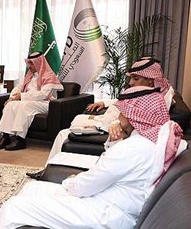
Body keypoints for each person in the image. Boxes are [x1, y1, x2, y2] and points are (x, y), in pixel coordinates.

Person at [0, 85, 186, 229]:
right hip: (108, 203)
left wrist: (71, 182)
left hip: (106, 216)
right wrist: (114, 141)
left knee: (13, 207)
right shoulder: (149, 140)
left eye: (123, 113)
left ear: (135, 116)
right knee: (31, 189)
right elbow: (108, 170)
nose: (119, 117)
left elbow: (88, 184)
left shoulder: (134, 148)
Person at [28, 57, 175, 178]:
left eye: (135, 78)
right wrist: (104, 103)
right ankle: (50, 169)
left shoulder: (157, 99)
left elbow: (143, 122)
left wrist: (114, 124)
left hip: (109, 127)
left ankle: (50, 171)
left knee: (64, 133)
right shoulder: (147, 93)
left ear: (150, 80)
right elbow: (125, 104)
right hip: (106, 120)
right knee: (73, 123)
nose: (131, 83)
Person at [0, 51, 64, 151]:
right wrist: (12, 98)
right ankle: (6, 137)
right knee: (10, 105)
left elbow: (43, 95)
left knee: (24, 106)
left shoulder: (49, 76)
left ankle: (20, 140)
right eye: (28, 63)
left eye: (32, 63)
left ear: (39, 63)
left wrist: (21, 96)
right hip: (28, 101)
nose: (29, 66)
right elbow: (19, 87)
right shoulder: (29, 75)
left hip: (46, 103)